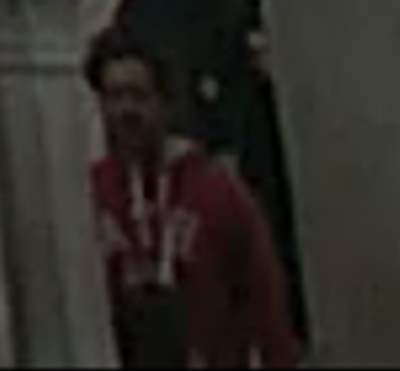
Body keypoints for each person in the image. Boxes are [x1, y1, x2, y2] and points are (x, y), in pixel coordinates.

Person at [88, 27, 302, 371]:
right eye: (114, 96)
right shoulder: (94, 192)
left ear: (166, 102)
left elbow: (268, 309)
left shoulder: (218, 192)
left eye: (138, 95)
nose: (125, 110)